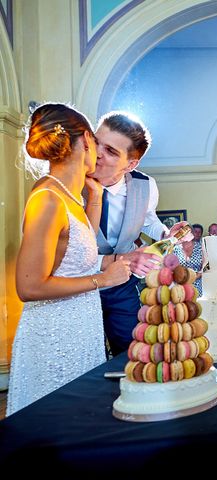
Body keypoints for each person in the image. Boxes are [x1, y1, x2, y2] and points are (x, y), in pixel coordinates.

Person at [7, 103, 131, 415]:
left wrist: (97, 199)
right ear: (86, 140)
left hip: (80, 332)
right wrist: (103, 280)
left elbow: (80, 253)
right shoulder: (47, 199)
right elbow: (29, 285)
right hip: (52, 340)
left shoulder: (68, 197)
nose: (101, 154)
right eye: (97, 145)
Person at [86, 111, 184, 356]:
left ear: (131, 164)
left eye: (111, 151)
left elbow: (147, 220)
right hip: (80, 286)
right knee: (87, 358)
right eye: (97, 142)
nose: (98, 154)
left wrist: (165, 232)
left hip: (122, 285)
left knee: (130, 354)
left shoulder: (145, 185)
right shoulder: (71, 182)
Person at [174, 223, 204, 296]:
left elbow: (207, 265)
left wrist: (198, 275)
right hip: (180, 288)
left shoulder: (200, 247)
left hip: (197, 287)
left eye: (188, 231)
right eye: (182, 232)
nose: (185, 234)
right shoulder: (176, 249)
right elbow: (172, 268)